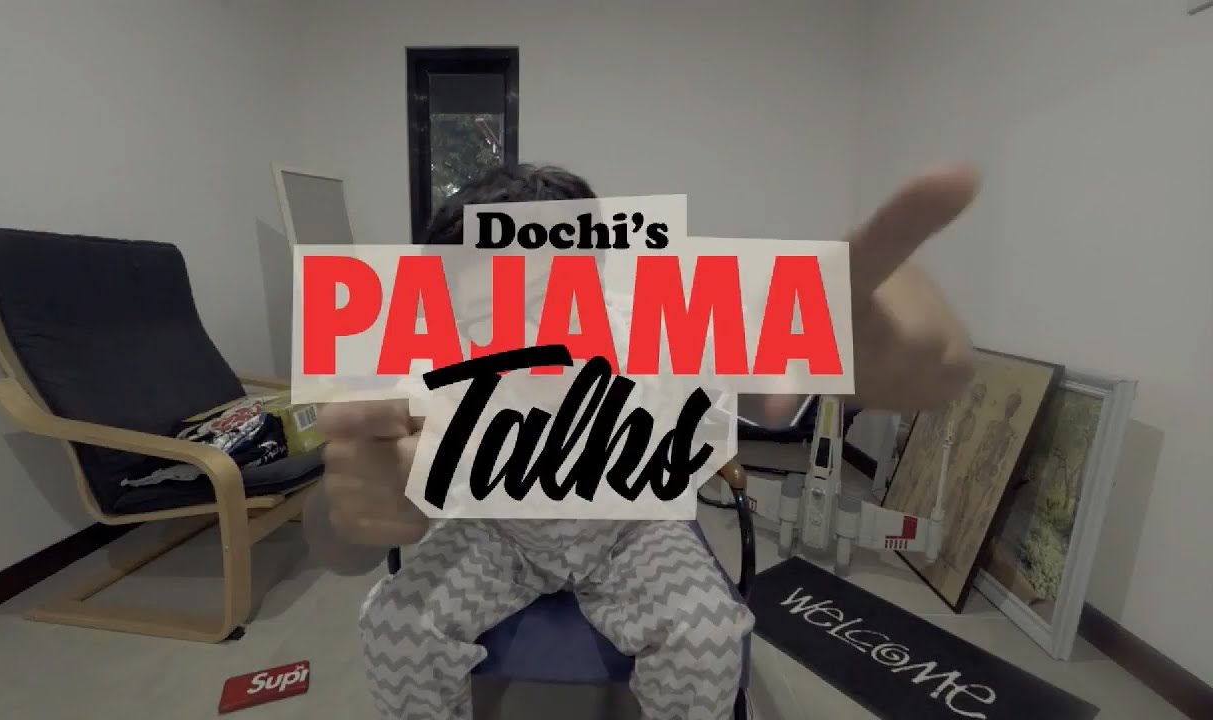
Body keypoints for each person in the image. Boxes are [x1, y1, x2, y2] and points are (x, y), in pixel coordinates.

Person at [305, 163, 980, 718]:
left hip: (631, 529)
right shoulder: (438, 365)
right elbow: (359, 495)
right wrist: (358, 497)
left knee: (708, 631)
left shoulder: (656, 336)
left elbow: (761, 359)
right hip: (499, 532)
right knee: (394, 620)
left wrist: (837, 337)